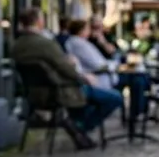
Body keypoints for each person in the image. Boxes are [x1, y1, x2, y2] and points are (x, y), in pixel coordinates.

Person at [11, 8, 124, 149]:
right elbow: (65, 67)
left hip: (34, 93)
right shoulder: (45, 44)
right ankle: (80, 127)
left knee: (91, 96)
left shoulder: (17, 45)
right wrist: (82, 76)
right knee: (115, 97)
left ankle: (78, 125)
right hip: (60, 91)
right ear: (39, 21)